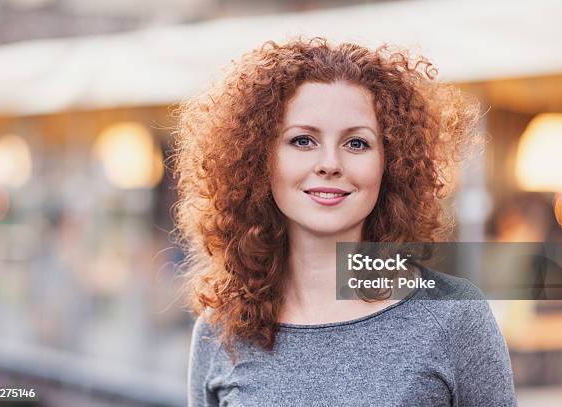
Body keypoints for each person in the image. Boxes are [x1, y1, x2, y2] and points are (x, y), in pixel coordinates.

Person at [172, 37, 517, 406]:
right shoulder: (220, 329)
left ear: (392, 163)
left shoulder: (452, 316)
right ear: (259, 159)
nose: (329, 163)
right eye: (303, 140)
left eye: (357, 144)